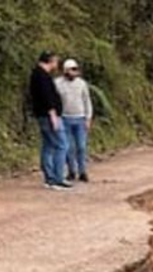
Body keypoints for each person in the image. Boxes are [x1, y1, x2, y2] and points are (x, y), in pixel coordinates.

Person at [29, 51, 71, 190]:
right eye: (55, 61)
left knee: (48, 145)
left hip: (43, 115)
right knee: (61, 145)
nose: (57, 64)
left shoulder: (37, 74)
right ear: (50, 61)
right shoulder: (42, 76)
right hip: (48, 116)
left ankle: (49, 178)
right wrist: (53, 114)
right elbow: (46, 96)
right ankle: (57, 178)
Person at [56, 59, 93, 182]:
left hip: (80, 118)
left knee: (81, 146)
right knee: (69, 147)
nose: (74, 72)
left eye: (75, 69)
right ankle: (72, 171)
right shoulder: (58, 83)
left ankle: (83, 171)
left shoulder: (82, 84)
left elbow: (87, 101)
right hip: (65, 118)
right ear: (65, 71)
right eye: (72, 69)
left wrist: (88, 118)